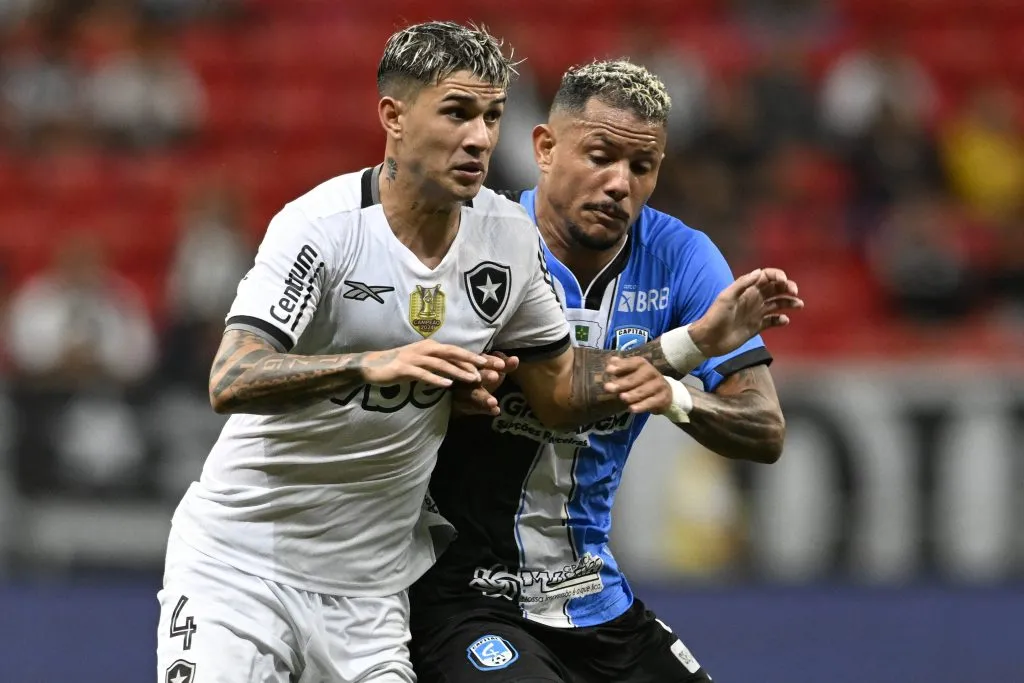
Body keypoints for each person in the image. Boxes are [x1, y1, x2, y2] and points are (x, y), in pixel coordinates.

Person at [154, 24, 799, 683]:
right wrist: (371, 364)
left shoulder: (506, 240)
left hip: (375, 591)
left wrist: (686, 354)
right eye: (459, 114)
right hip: (257, 563)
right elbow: (231, 372)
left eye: (491, 116)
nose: (479, 137)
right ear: (394, 118)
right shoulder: (319, 228)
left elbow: (561, 391)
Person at [410, 60, 801, 683]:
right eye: (600, 156)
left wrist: (677, 398)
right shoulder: (481, 240)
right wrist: (684, 349)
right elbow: (557, 395)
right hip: (463, 595)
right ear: (545, 148)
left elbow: (765, 427)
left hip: (592, 591)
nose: (620, 183)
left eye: (640, 168)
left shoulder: (682, 257)